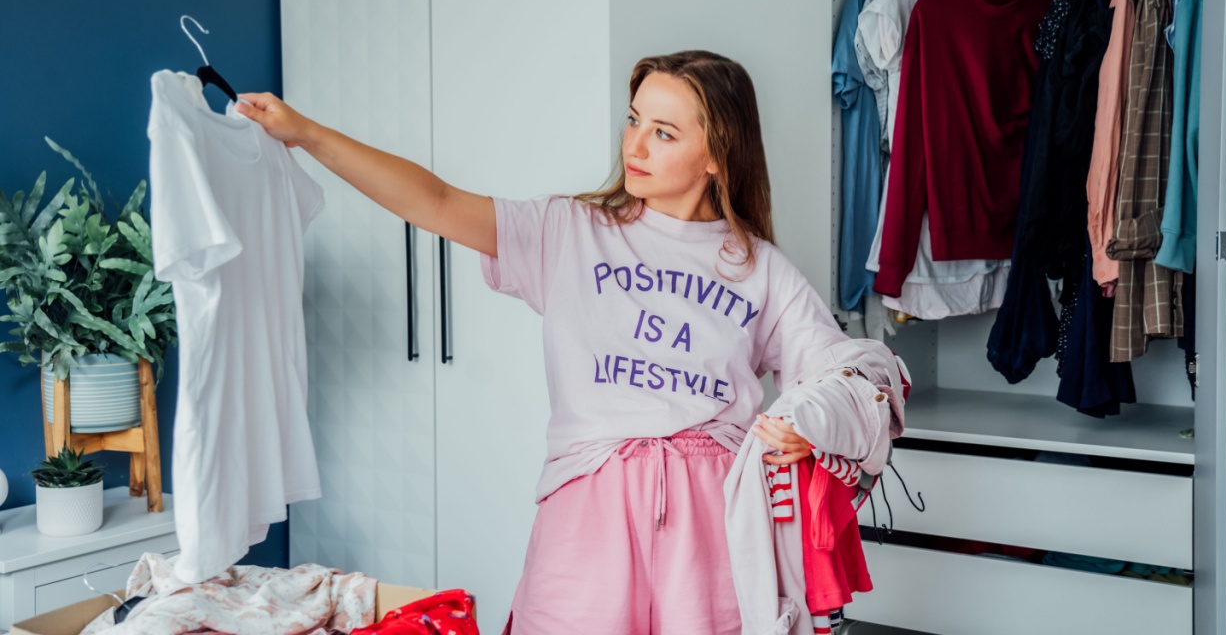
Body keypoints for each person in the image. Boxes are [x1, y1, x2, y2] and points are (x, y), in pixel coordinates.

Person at [235, 50, 862, 634]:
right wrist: (306, 133)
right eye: (634, 120)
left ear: (718, 154)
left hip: (713, 517)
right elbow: (436, 199)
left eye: (664, 133)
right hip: (589, 503)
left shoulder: (761, 269)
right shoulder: (571, 231)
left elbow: (841, 373)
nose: (635, 146)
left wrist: (808, 422)